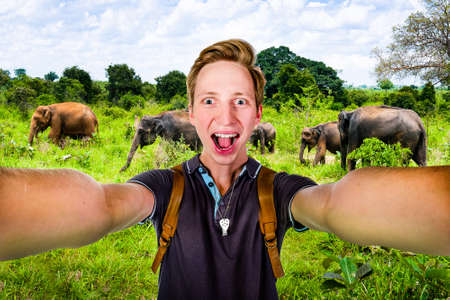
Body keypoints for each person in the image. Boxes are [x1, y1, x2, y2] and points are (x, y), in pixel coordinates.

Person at [0, 39, 449, 299]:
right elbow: (99, 204)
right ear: (192, 115)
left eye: (241, 101)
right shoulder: (164, 186)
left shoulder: (280, 189)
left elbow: (332, 203)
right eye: (210, 100)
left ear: (257, 118)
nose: (227, 116)